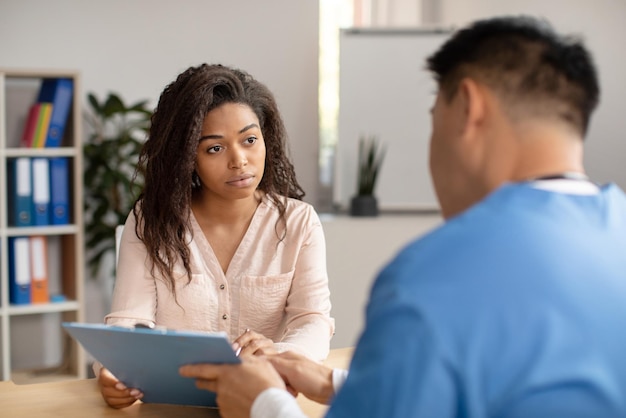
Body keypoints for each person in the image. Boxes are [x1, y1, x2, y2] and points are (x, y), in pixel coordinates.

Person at [179, 15, 626, 418]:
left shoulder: (435, 276)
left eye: (435, 118)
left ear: (468, 108)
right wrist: (342, 385)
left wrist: (263, 404)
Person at [96, 63, 335, 408]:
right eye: (214, 148)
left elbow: (311, 319)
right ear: (186, 157)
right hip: (171, 408)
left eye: (250, 140)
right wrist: (115, 372)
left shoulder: (299, 223)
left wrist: (281, 354)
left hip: (263, 406)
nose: (239, 161)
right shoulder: (150, 220)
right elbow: (129, 323)